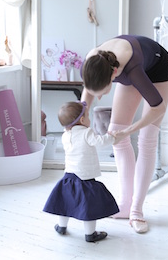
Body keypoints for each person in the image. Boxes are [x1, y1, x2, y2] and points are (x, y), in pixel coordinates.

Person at [80, 35, 168, 234]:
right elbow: (87, 96)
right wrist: (79, 122)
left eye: (104, 93)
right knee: (115, 135)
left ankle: (137, 210)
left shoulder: (132, 70)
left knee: (147, 138)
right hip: (128, 65)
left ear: (114, 75)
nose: (99, 97)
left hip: (157, 67)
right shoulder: (92, 63)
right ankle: (124, 204)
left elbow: (158, 107)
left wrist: (130, 130)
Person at [43, 101, 119, 242]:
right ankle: (90, 234)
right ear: (83, 120)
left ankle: (61, 226)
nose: (89, 119)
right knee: (89, 207)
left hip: (69, 176)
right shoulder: (86, 132)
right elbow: (100, 142)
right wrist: (112, 137)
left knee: (65, 204)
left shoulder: (65, 135)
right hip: (85, 177)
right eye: (88, 116)